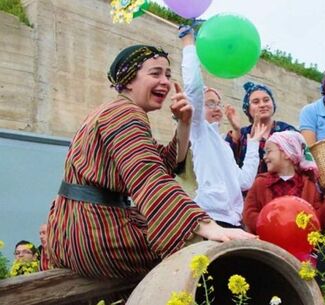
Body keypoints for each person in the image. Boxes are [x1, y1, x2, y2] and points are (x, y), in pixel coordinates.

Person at [47, 44, 255, 278]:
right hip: (96, 233)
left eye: (167, 74)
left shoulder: (112, 110)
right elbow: (148, 175)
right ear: (127, 80)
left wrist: (184, 122)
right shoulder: (125, 114)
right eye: (155, 73)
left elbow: (165, 163)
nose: (165, 82)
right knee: (200, 258)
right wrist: (205, 225)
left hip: (73, 230)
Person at [178, 27, 266, 228]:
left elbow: (243, 182)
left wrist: (252, 144)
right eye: (209, 103)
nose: (216, 108)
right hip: (209, 218)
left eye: (218, 103)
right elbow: (192, 88)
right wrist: (189, 44)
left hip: (233, 221)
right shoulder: (198, 132)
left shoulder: (222, 145)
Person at [243, 130, 325, 234]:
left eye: (269, 151)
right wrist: (271, 224)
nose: (264, 157)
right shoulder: (260, 183)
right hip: (268, 245)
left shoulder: (308, 185)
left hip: (299, 243)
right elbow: (249, 214)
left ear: (287, 153)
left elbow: (316, 219)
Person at [225, 81, 297, 173]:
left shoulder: (287, 131)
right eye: (256, 102)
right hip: (249, 186)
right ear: (248, 109)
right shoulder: (243, 134)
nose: (262, 105)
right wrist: (236, 130)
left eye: (266, 100)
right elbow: (225, 161)